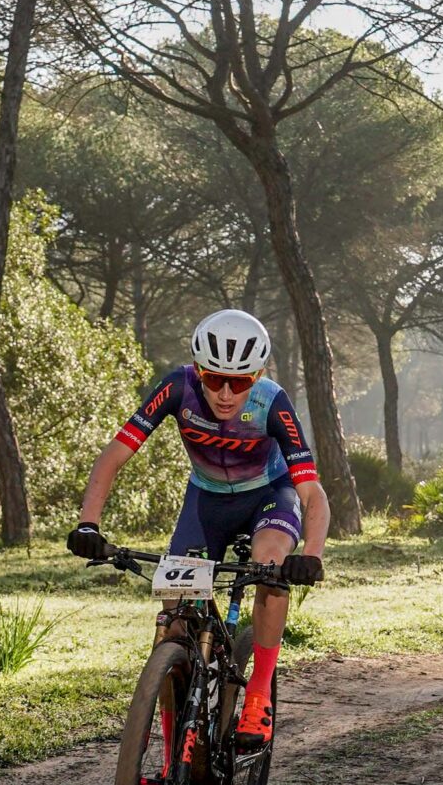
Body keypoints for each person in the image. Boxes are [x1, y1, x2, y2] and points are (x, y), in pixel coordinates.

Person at [67, 309, 328, 747]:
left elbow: (312, 493)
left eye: (240, 381)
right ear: (197, 370)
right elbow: (113, 455)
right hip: (206, 501)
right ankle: (174, 753)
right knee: (173, 617)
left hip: (268, 495)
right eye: (213, 378)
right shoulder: (177, 386)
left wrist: (312, 555)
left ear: (258, 375)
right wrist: (88, 524)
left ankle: (259, 692)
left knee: (271, 569)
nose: (225, 393)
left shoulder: (273, 402)